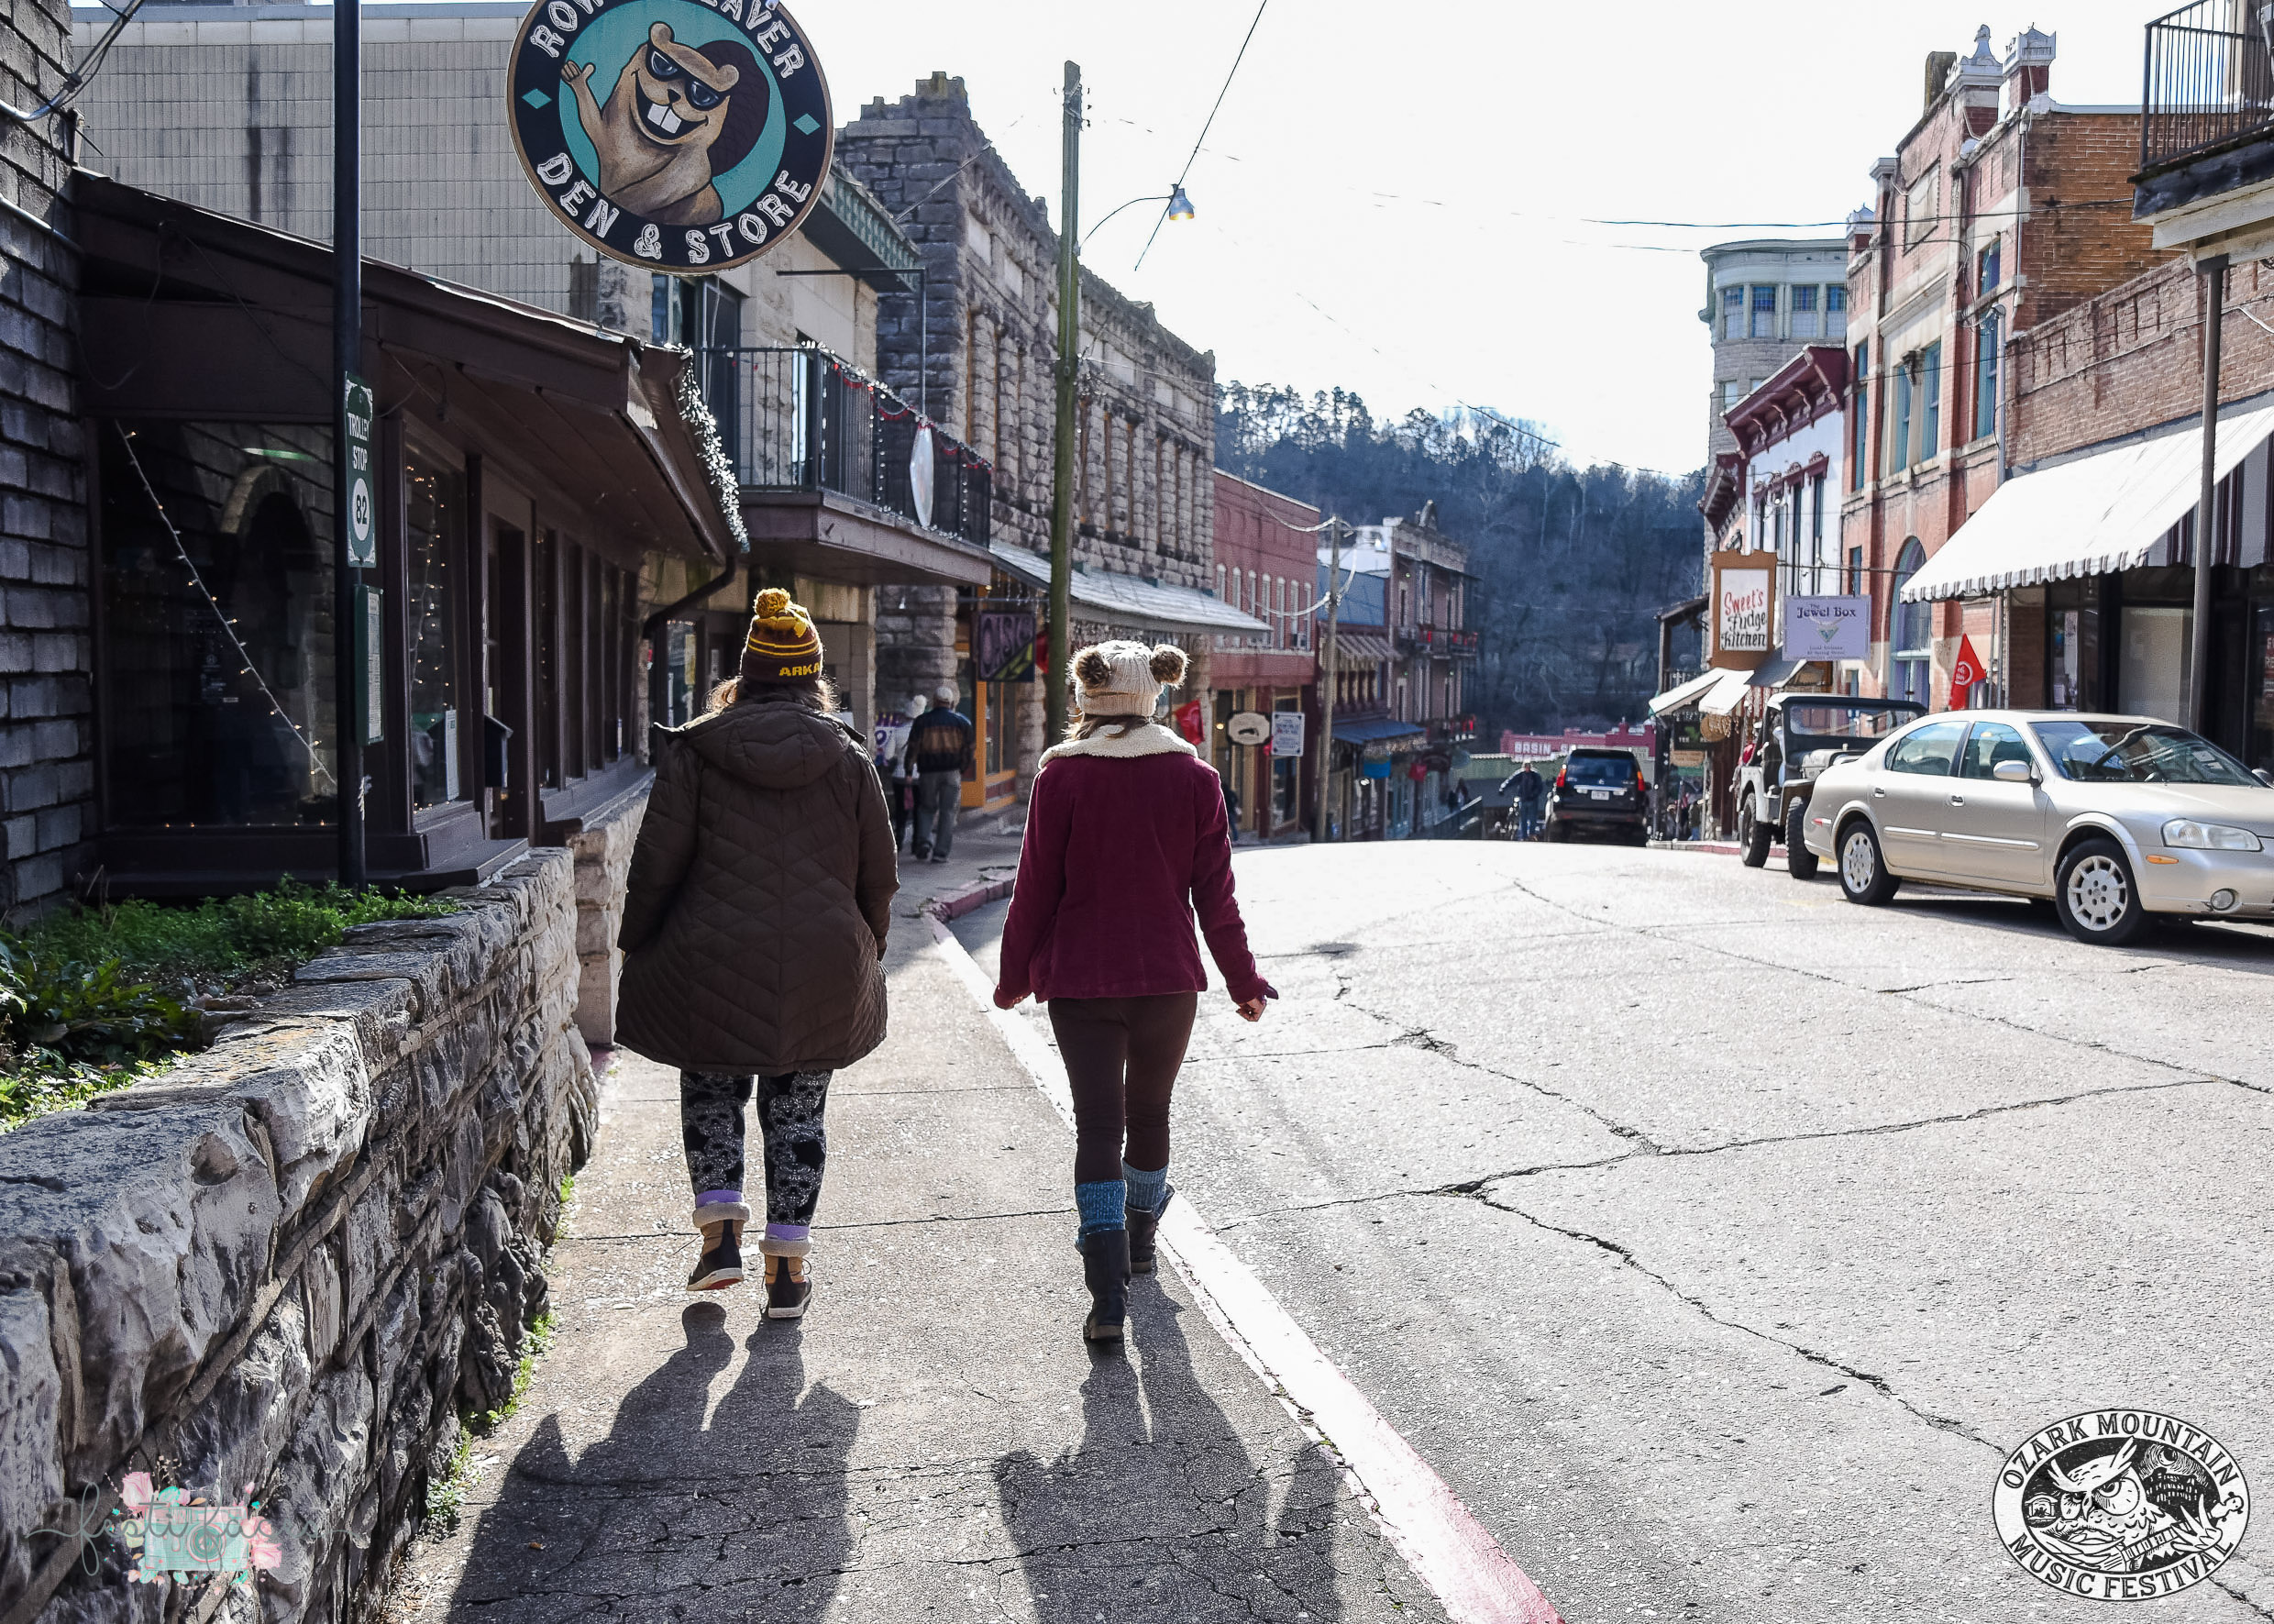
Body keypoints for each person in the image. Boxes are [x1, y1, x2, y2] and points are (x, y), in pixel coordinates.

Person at [615, 588, 897, 1321]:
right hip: (822, 963)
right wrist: (868, 946)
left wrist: (636, 938)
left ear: (746, 675)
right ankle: (787, 1276)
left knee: (712, 1089)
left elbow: (655, 865)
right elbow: (879, 873)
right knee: (798, 1112)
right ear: (813, 679)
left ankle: (719, 1240)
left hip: (709, 957)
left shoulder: (695, 752)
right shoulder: (849, 758)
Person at [992, 641, 1277, 1344]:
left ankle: (1106, 1296)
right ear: (1154, 692)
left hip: (1081, 981)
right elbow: (1216, 897)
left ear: (1087, 696)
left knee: (1098, 1126)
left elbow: (1033, 892)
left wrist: (1013, 978)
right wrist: (1243, 980)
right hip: (1167, 980)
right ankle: (1143, 1237)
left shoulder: (1060, 777)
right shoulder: (1196, 778)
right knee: (1150, 1114)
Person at [902, 684, 974, 863]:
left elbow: (913, 748)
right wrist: (962, 768)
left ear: (934, 701)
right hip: (952, 772)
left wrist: (909, 770)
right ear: (951, 703)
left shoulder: (922, 721)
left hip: (928, 772)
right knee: (948, 812)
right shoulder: (962, 722)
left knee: (926, 808)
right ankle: (940, 853)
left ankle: (924, 841)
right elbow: (969, 750)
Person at [1506, 759, 1546, 840]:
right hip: (1523, 800)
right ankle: (1524, 836)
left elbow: (1540, 787)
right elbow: (1511, 781)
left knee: (1533, 818)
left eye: (1528, 766)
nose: (1527, 768)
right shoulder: (1520, 774)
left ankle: (1531, 834)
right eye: (1526, 766)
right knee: (1523, 819)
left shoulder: (1535, 775)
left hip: (1533, 800)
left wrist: (1533, 795)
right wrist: (1503, 787)